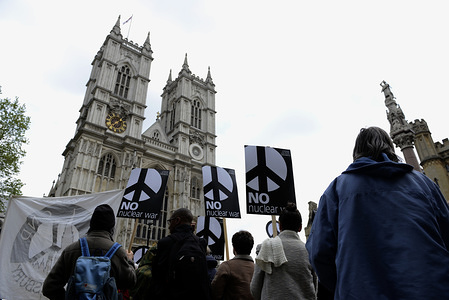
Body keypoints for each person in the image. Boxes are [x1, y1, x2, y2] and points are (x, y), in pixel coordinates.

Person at [306, 126, 449, 300]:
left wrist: (345, 284)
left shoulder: (337, 189)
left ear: (357, 152)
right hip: (430, 289)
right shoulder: (425, 184)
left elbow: (319, 252)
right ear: (391, 148)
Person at [42, 204, 136, 299]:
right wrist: (129, 260)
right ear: (112, 228)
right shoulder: (118, 253)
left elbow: (49, 287)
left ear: (91, 224)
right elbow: (131, 282)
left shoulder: (71, 250)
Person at [251, 203, 317, 300]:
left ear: (280, 225)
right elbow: (315, 288)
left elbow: (255, 289)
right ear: (300, 227)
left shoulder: (267, 247)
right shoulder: (309, 251)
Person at [151, 207, 211, 300]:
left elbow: (158, 275)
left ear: (177, 220)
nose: (169, 226)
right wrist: (192, 232)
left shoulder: (166, 242)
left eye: (170, 221)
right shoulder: (201, 242)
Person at [211, 230, 255, 300]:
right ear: (251, 248)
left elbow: (215, 293)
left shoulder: (226, 267)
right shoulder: (258, 269)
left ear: (234, 248)